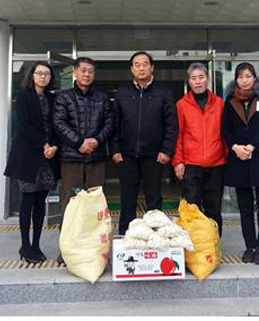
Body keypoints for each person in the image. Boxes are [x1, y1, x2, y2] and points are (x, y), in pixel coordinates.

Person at [53, 57, 114, 263]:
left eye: (91, 71)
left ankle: (94, 249)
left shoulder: (102, 98)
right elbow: (59, 122)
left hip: (96, 158)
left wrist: (97, 140)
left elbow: (109, 122)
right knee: (70, 204)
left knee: (95, 205)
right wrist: (79, 142)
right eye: (83, 70)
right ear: (75, 73)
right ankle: (67, 250)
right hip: (71, 159)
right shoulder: (63, 97)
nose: (87, 74)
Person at [111, 51, 178, 235]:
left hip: (154, 155)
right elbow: (114, 122)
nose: (141, 67)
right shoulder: (123, 92)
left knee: (154, 198)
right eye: (137, 64)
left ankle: (156, 235)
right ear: (132, 69)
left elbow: (171, 125)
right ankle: (126, 235)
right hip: (127, 154)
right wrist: (115, 149)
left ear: (152, 67)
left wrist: (167, 150)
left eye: (145, 64)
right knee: (127, 198)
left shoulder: (163, 93)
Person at [222, 62, 259, 265]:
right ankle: (250, 246)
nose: (244, 80)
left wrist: (253, 146)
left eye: (248, 76)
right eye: (240, 77)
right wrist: (236, 147)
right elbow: (225, 130)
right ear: (236, 80)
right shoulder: (229, 101)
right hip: (239, 159)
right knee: (245, 208)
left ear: (255, 78)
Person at [4, 61, 58, 264]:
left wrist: (54, 146)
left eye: (47, 73)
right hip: (28, 156)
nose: (43, 76)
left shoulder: (53, 98)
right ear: (32, 75)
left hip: (47, 158)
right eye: (39, 73)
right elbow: (24, 126)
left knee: (40, 204)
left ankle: (36, 245)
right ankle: (25, 246)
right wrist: (44, 145)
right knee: (27, 202)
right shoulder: (23, 97)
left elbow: (56, 124)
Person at [172, 62, 227, 236]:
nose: (198, 82)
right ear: (189, 81)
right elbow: (178, 135)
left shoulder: (220, 104)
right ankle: (194, 251)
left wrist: (226, 157)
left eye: (201, 77)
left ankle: (213, 247)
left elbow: (226, 133)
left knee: (214, 210)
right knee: (192, 210)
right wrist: (178, 161)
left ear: (208, 79)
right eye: (194, 78)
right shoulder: (182, 105)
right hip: (191, 166)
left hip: (216, 164)